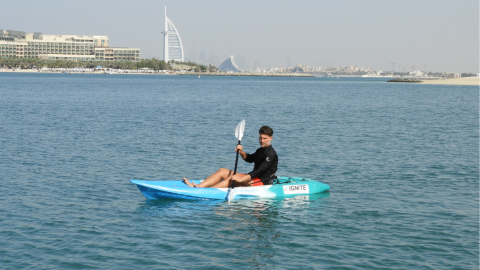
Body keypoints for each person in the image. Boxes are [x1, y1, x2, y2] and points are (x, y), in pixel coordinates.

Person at [183, 126, 278, 188]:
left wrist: (241, 179)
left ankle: (207, 191)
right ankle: (198, 187)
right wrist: (241, 152)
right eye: (260, 138)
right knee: (222, 171)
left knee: (231, 178)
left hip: (263, 182)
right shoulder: (260, 150)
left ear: (271, 138)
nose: (262, 140)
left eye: (265, 138)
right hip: (253, 177)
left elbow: (260, 170)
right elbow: (249, 159)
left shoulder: (271, 154)